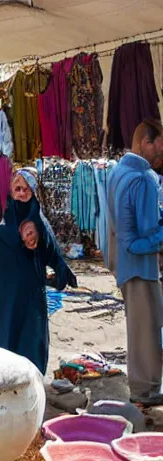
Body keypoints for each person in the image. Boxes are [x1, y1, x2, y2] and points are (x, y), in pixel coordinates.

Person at [0, 169, 77, 374]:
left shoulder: (39, 220)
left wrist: (61, 267)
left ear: (34, 192)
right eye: (17, 189)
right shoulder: (3, 226)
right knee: (8, 333)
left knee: (33, 336)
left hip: (31, 290)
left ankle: (33, 380)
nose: (21, 194)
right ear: (10, 191)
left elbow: (51, 248)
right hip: (6, 294)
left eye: (26, 189)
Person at [107, 119, 163, 406]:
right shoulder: (143, 179)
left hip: (126, 266)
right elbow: (139, 238)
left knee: (142, 326)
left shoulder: (117, 171)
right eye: (160, 146)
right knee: (147, 329)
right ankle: (145, 391)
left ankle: (145, 388)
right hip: (141, 267)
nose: (161, 155)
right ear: (146, 142)